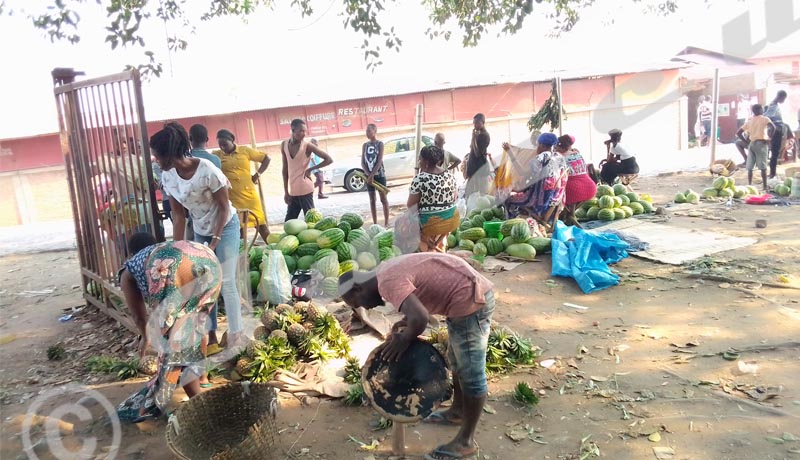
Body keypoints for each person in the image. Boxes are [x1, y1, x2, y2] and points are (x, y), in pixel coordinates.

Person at [337, 253, 495, 460]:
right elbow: (418, 302)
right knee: (457, 361)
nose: (364, 308)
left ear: (358, 288)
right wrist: (406, 320)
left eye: (357, 302)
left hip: (470, 302)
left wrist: (404, 340)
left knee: (472, 374)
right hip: (464, 297)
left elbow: (420, 318)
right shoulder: (383, 271)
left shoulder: (387, 282)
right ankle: (457, 411)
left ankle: (465, 442)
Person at [150, 122, 244, 355]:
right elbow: (179, 217)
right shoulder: (168, 177)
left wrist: (216, 239)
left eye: (156, 155)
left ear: (168, 153)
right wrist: (177, 251)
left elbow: (223, 207)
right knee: (204, 285)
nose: (155, 160)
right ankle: (210, 337)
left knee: (227, 282)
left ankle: (236, 336)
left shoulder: (207, 170)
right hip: (200, 228)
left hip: (226, 226)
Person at [117, 234, 222, 423]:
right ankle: (203, 379)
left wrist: (145, 336)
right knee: (196, 325)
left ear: (129, 254)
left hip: (172, 267)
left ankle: (199, 402)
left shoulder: (128, 270)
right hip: (206, 257)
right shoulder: (157, 250)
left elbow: (139, 317)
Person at [213, 128, 272, 243]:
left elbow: (266, 158)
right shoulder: (217, 156)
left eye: (225, 144)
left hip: (250, 196)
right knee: (239, 229)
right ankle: (244, 257)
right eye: (220, 145)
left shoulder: (245, 150)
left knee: (261, 225)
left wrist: (257, 174)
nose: (222, 148)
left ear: (232, 140)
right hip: (232, 198)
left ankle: (275, 250)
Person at [501, 132, 568, 228]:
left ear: (543, 145)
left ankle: (517, 226)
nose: (537, 148)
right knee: (517, 192)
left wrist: (510, 153)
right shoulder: (559, 157)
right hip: (556, 198)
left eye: (538, 145)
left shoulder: (542, 157)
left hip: (540, 202)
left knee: (508, 200)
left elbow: (522, 172)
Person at [407, 145, 459, 252]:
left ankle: (425, 246)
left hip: (430, 224)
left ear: (425, 161)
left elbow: (411, 205)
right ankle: (440, 244)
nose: (419, 161)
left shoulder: (420, 179)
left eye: (420, 159)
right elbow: (454, 199)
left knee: (406, 219)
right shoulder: (450, 175)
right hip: (450, 221)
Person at [282, 119, 333, 221]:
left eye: (305, 131)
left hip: (306, 190)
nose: (304, 134)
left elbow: (329, 159)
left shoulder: (307, 146)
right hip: (293, 192)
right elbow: (285, 170)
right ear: (293, 130)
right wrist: (286, 192)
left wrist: (311, 169)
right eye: (301, 131)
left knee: (312, 222)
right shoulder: (284, 144)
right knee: (289, 223)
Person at [555, 135, 597, 226]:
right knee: (571, 187)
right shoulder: (578, 154)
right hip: (590, 188)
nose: (555, 148)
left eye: (556, 146)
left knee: (554, 194)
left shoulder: (559, 158)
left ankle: (560, 217)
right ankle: (571, 215)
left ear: (560, 146)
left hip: (574, 190)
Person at [738, 104, 775, 190]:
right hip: (761, 143)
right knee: (763, 167)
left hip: (752, 144)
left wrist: (746, 141)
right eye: (762, 109)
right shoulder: (765, 119)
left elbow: (738, 132)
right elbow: (773, 127)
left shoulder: (750, 121)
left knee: (750, 167)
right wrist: (769, 138)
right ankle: (765, 186)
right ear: (760, 110)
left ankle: (750, 185)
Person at [362, 123, 390, 227]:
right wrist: (369, 175)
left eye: (369, 131)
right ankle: (375, 223)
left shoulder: (380, 144)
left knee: (383, 199)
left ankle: (386, 223)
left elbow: (379, 161)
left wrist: (372, 175)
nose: (367, 133)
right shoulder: (365, 145)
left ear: (375, 132)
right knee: (372, 199)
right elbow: (362, 162)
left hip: (380, 175)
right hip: (368, 176)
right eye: (366, 131)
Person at [464, 113, 492, 198]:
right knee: (471, 194)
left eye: (476, 123)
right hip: (474, 168)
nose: (474, 125)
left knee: (482, 195)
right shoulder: (478, 134)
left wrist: (473, 138)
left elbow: (477, 153)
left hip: (480, 168)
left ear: (482, 123)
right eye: (474, 123)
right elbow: (472, 147)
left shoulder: (484, 135)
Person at [764, 90, 788, 178]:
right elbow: (766, 116)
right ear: (781, 97)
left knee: (774, 153)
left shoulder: (774, 105)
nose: (783, 101)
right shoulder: (773, 105)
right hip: (776, 131)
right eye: (784, 99)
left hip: (776, 130)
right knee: (774, 153)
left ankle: (772, 172)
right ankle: (772, 173)